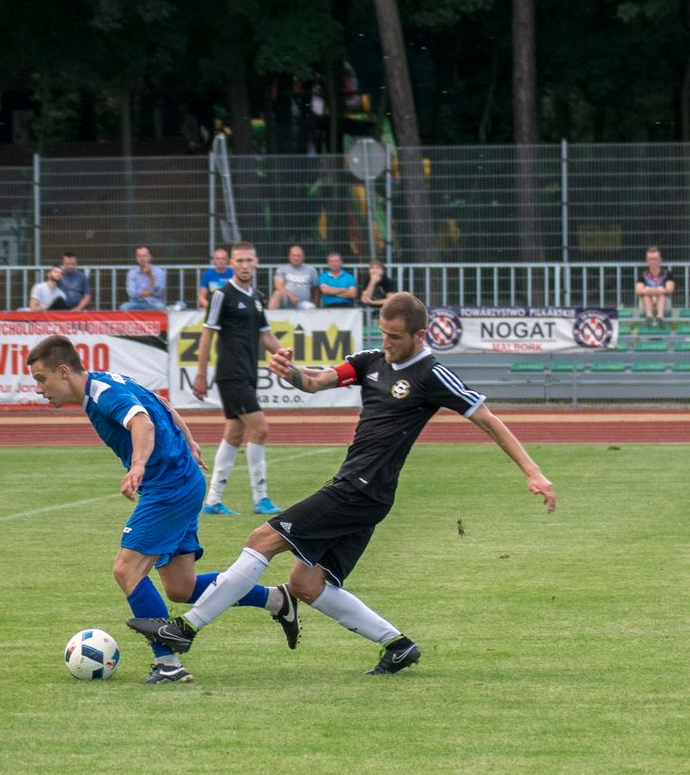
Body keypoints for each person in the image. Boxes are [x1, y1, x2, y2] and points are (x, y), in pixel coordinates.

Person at [128, 291, 556, 676]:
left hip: (361, 489)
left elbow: (487, 419)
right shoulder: (371, 361)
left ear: (420, 335)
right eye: (383, 334)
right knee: (306, 584)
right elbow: (316, 381)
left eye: (395, 337)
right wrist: (289, 371)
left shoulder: (431, 374)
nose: (387, 343)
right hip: (362, 490)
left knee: (262, 539)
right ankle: (398, 645)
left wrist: (532, 471)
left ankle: (184, 628)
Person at [26, 335, 300, 684]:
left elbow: (143, 420)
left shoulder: (103, 394)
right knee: (180, 588)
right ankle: (277, 599)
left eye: (41, 379)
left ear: (63, 371)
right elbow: (159, 402)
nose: (39, 389)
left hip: (167, 489)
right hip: (181, 482)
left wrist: (138, 465)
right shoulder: (108, 380)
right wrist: (189, 439)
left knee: (127, 570)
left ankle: (168, 664)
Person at [193, 241, 285, 517]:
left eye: (249, 260)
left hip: (249, 373)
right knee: (261, 429)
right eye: (240, 261)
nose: (245, 265)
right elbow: (207, 333)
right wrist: (201, 374)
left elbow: (266, 336)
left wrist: (286, 356)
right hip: (231, 374)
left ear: (256, 262)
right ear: (232, 263)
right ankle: (261, 498)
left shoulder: (257, 296)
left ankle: (212, 501)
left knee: (234, 434)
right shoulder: (222, 294)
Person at [268, 245, 318, 310]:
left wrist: (316, 303)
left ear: (303, 257)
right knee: (277, 294)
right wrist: (290, 295)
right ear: (289, 256)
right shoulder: (282, 269)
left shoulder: (311, 270)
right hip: (286, 301)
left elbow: (316, 288)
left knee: (312, 309)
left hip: (303, 302)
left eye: (299, 256)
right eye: (294, 255)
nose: (296, 258)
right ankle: (269, 318)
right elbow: (278, 286)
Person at [119, 246, 168, 311]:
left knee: (160, 307)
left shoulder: (158, 271)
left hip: (153, 303)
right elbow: (131, 293)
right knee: (124, 307)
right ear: (136, 258)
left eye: (144, 256)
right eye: (139, 256)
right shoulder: (132, 273)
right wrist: (150, 293)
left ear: (149, 257)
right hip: (136, 303)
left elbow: (159, 292)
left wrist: (149, 275)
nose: (142, 258)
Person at [636, 246, 675, 326]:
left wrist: (660, 290)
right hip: (645, 305)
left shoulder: (667, 273)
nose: (653, 261)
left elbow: (670, 289)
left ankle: (660, 317)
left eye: (655, 259)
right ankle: (649, 317)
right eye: (650, 259)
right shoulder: (643, 274)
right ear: (647, 260)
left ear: (660, 259)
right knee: (645, 294)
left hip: (664, 305)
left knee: (661, 293)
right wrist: (647, 290)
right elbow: (638, 290)